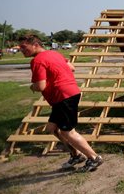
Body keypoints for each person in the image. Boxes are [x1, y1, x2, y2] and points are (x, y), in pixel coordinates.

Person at [18, 34, 103, 172]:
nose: (21, 49)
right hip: (66, 95)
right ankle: (76, 155)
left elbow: (40, 86)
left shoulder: (37, 61)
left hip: (64, 97)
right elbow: (72, 67)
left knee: (68, 132)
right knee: (52, 129)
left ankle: (94, 158)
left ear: (35, 45)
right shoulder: (54, 53)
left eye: (23, 46)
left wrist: (32, 87)